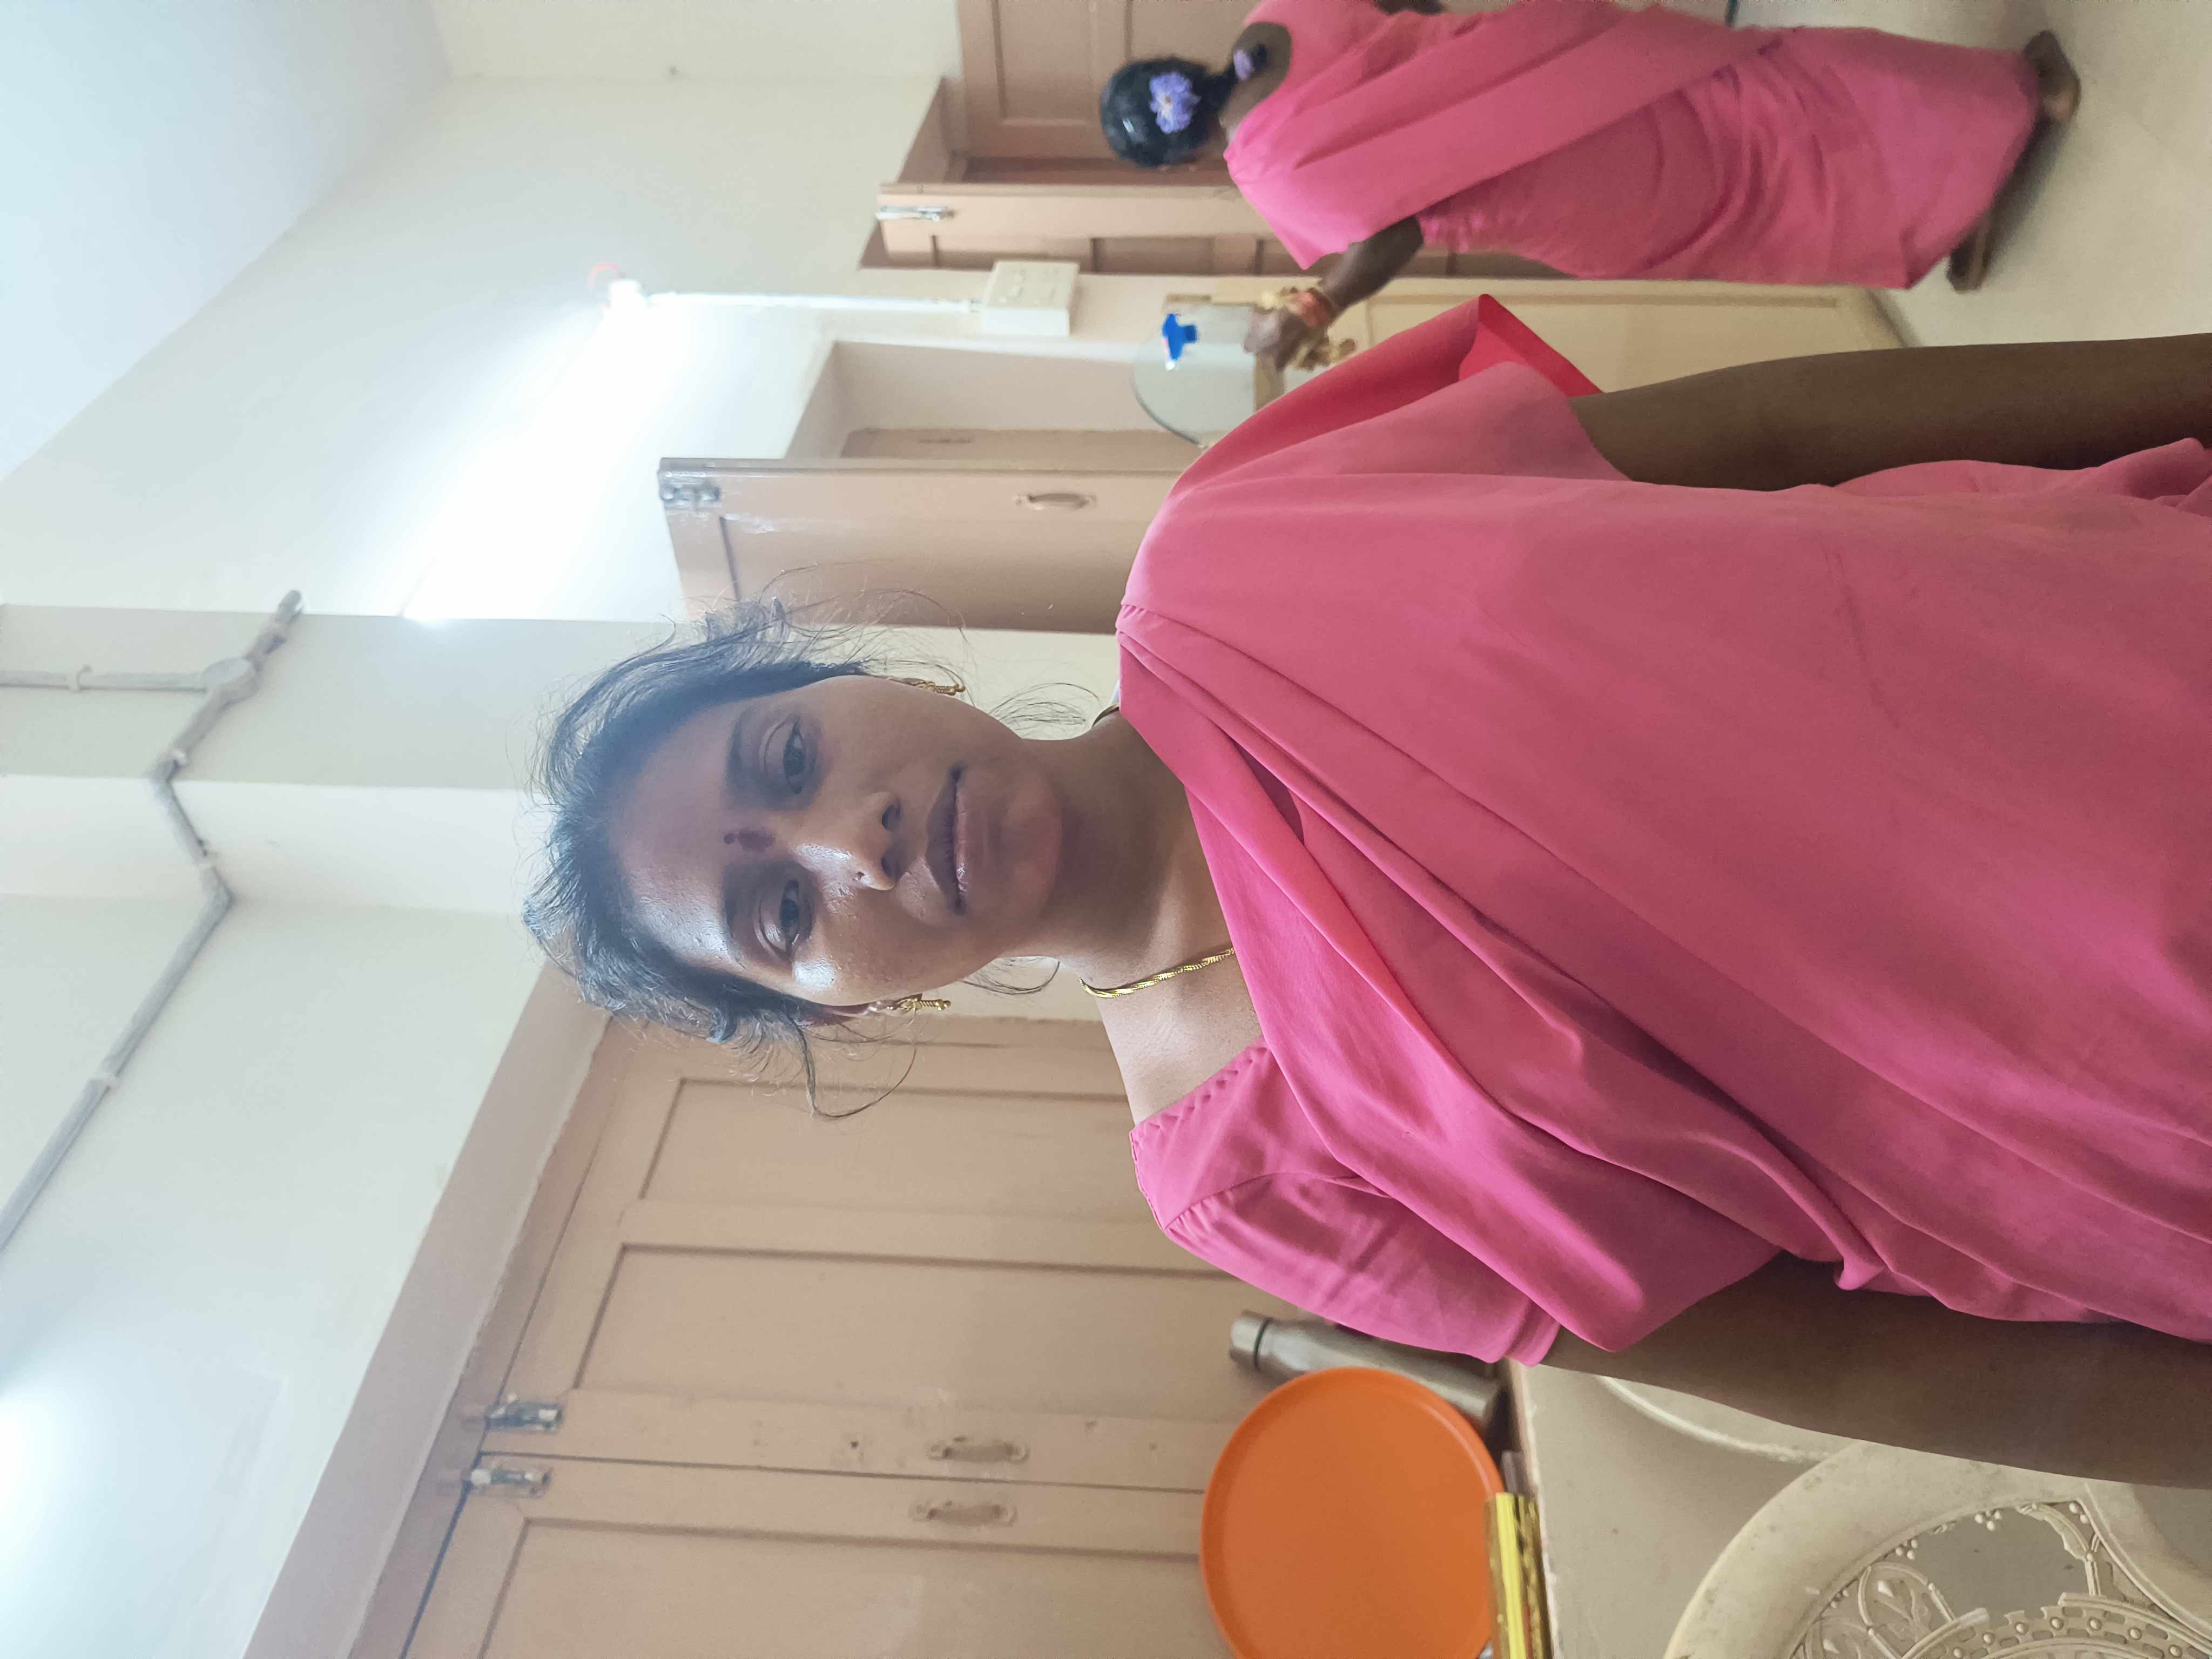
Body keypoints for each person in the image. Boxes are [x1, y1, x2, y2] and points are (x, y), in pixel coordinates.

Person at [528, 299, 2212, 1486]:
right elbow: (1840, 1359)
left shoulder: (1246, 536)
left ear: (855, 678)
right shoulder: (1248, 1181)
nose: (855, 842)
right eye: (782, 918)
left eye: (788, 760)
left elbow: (1768, 438)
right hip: (2147, 1138)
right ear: (836, 1008)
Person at [1098, 0, 2079, 366]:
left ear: (1180, 160)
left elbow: (1391, 231)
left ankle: (1960, 191)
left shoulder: (1274, 176)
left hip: (1566, 189)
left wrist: (1313, 311)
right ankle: (1999, 113)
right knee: (1770, 83)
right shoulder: (1273, 19)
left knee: (1761, 197)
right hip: (1557, 63)